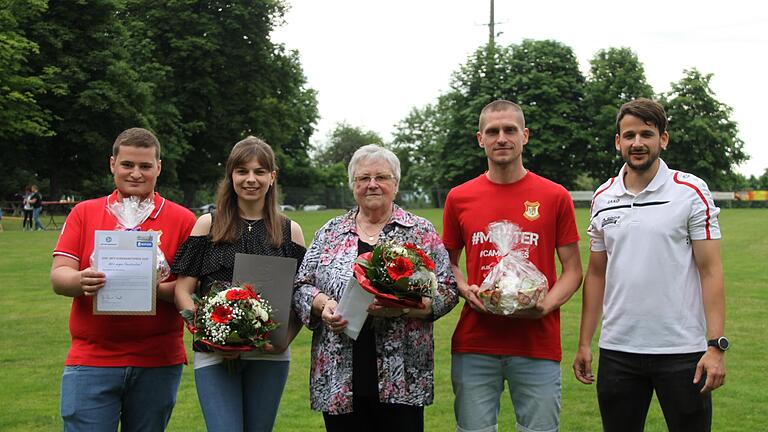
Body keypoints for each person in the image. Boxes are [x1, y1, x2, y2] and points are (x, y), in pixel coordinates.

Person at [572, 98, 727, 432]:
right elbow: (597, 273)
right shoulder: (603, 197)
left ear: (663, 139)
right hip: (618, 351)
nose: (637, 143)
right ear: (618, 142)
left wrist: (716, 345)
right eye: (629, 135)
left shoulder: (690, 191)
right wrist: (585, 342)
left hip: (682, 351)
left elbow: (710, 270)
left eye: (646, 134)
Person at [293, 144, 458, 431]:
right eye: (363, 178)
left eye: (381, 177)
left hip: (402, 375)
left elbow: (447, 289)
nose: (372, 184)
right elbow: (302, 285)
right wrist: (322, 305)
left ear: (395, 183)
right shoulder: (330, 232)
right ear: (353, 185)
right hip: (338, 374)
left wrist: (406, 308)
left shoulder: (420, 231)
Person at [442, 100, 583, 432]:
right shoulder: (459, 197)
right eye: (493, 131)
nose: (501, 138)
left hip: (536, 341)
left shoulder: (554, 195)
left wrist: (545, 305)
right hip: (475, 341)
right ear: (480, 139)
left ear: (525, 136)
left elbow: (573, 269)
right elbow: (446, 263)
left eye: (510, 130)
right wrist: (465, 288)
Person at [51, 128, 196, 431]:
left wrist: (153, 287)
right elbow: (59, 276)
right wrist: (82, 280)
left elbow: (190, 288)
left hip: (157, 360)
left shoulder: (183, 219)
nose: (136, 174)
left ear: (159, 167)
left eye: (145, 166)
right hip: (91, 358)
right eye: (127, 164)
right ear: (112, 164)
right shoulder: (85, 212)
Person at [172, 136, 307, 432]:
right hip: (214, 354)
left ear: (272, 177)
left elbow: (301, 297)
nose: (250, 179)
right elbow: (183, 290)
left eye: (259, 172)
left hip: (269, 355)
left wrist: (287, 338)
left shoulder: (290, 231)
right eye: (242, 171)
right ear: (230, 175)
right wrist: (207, 333)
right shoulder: (208, 224)